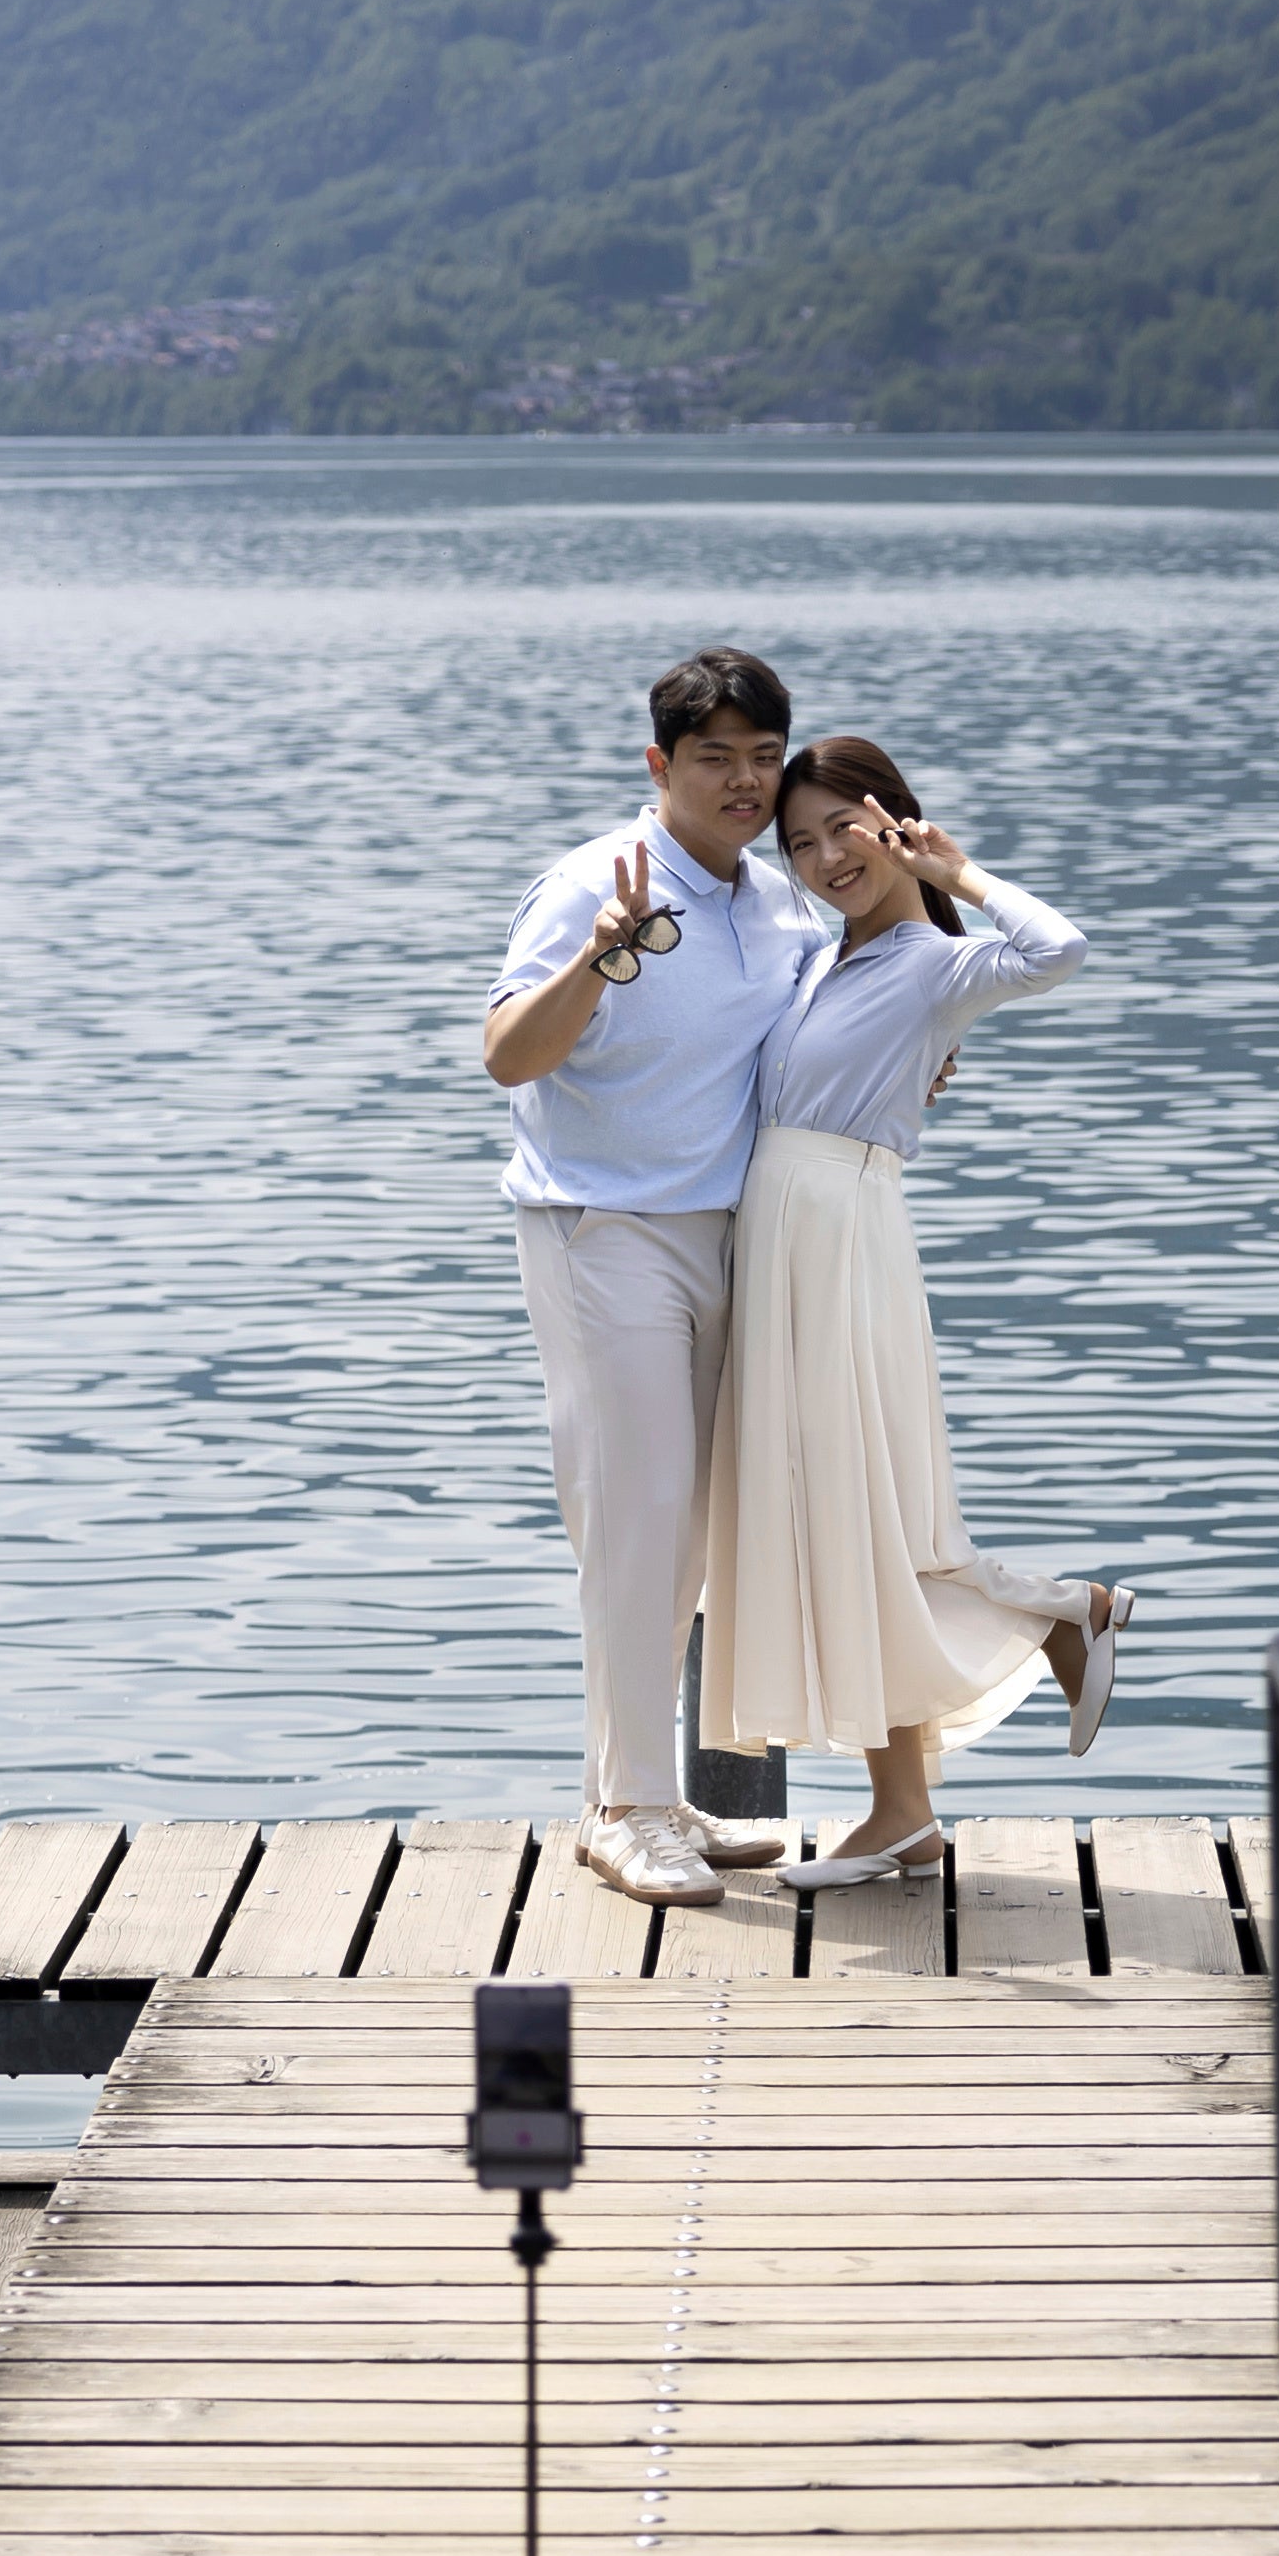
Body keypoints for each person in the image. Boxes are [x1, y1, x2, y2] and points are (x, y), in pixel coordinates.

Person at [695, 733, 1138, 1889]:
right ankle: (903, 1808)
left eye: (845, 825)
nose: (824, 856)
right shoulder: (813, 958)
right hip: (780, 1238)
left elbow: (1060, 948)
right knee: (831, 1517)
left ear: (893, 818)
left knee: (864, 1506)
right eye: (798, 842)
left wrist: (959, 876)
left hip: (843, 1239)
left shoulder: (939, 963)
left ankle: (1061, 1614)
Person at [482, 646, 814, 1909]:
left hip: (729, 1232)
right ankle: (622, 1809)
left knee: (689, 1533)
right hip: (600, 1229)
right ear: (659, 765)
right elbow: (510, 1054)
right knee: (635, 1516)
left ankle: (652, 1793)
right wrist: (604, 957)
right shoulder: (592, 888)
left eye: (763, 758)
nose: (743, 782)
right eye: (716, 758)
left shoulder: (773, 901)